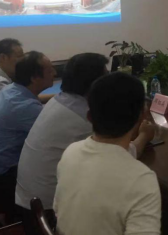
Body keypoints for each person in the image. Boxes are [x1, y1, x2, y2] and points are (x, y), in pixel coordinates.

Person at [15, 53, 156, 234]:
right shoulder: (83, 118)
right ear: (95, 84)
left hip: (31, 202)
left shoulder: (60, 100)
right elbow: (123, 156)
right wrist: (144, 135)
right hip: (50, 212)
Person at [54, 72, 161, 235]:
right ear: (142, 116)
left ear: (89, 116)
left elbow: (58, 210)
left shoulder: (70, 152)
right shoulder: (142, 180)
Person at [0, 51, 56, 221]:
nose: (55, 72)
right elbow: (54, 136)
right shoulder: (23, 106)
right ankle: (37, 221)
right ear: (34, 78)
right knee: (53, 167)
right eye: (50, 70)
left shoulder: (12, 91)